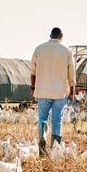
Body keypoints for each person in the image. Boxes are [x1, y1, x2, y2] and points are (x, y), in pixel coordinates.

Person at [30, 27, 76, 155]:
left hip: (43, 90)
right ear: (61, 36)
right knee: (57, 120)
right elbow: (71, 73)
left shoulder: (39, 49)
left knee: (42, 118)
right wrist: (71, 90)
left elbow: (32, 71)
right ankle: (54, 148)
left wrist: (33, 88)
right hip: (60, 92)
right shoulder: (67, 51)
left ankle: (42, 136)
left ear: (50, 35)